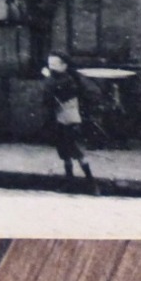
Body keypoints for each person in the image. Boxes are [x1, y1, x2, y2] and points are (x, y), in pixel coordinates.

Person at [43, 52, 98, 193]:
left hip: (68, 119)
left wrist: (48, 78)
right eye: (50, 65)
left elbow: (52, 93)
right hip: (64, 118)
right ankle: (72, 182)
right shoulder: (65, 78)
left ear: (64, 66)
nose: (52, 68)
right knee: (66, 152)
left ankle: (90, 183)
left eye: (55, 65)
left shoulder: (67, 80)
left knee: (74, 151)